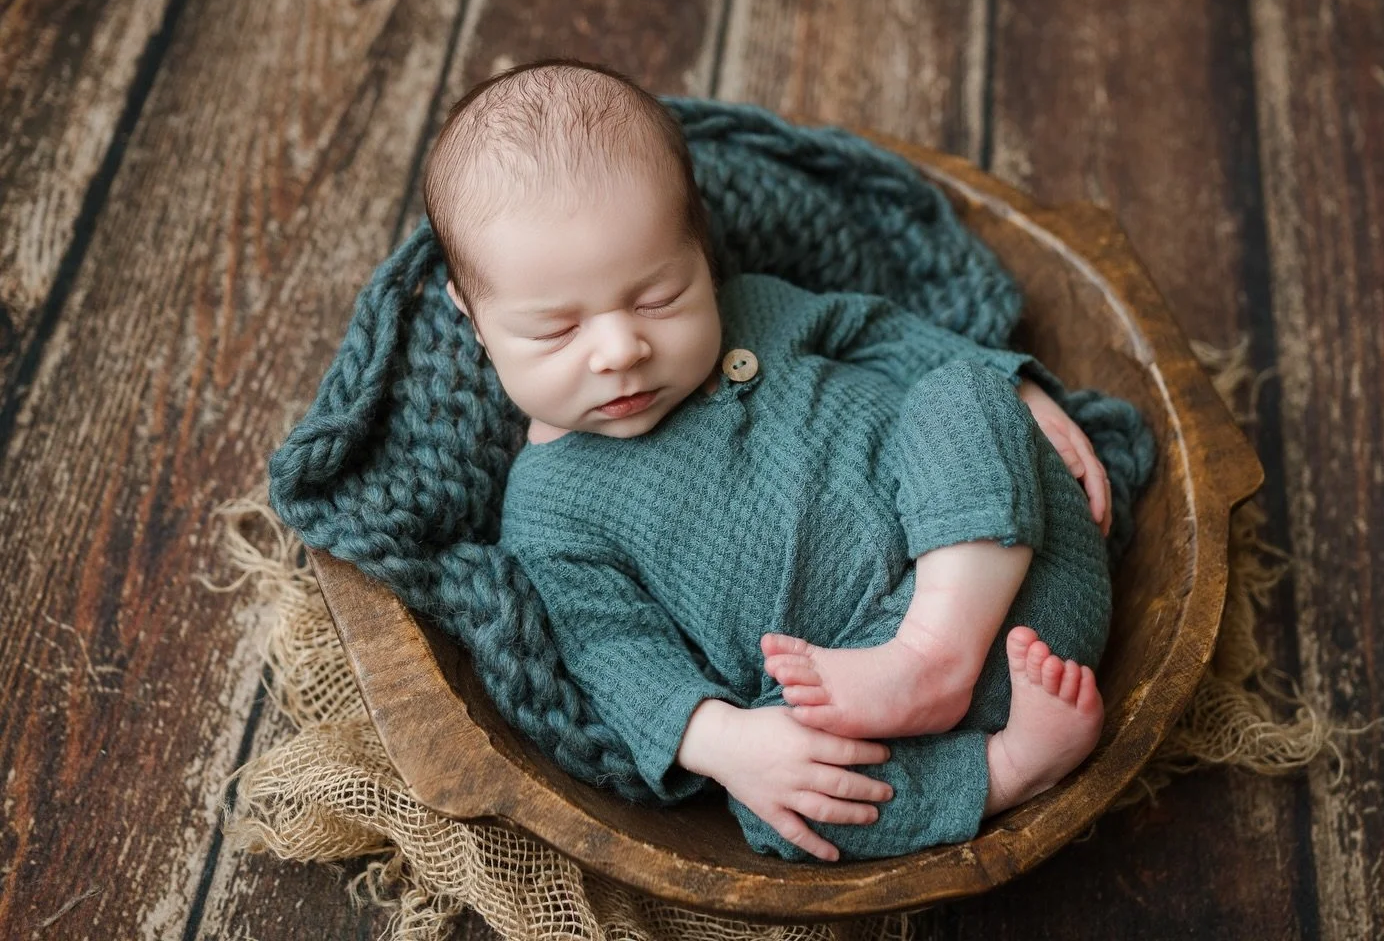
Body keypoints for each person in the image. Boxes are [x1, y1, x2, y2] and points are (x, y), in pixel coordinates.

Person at [421, 58, 1114, 862]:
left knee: (962, 387)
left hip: (1027, 564)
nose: (620, 350)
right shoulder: (547, 513)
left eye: (658, 297)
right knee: (780, 793)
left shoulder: (759, 307)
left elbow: (880, 334)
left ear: (701, 252)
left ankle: (936, 651)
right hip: (903, 695)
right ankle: (1006, 770)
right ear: (472, 320)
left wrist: (1018, 393)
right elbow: (609, 650)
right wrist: (724, 741)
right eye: (555, 331)